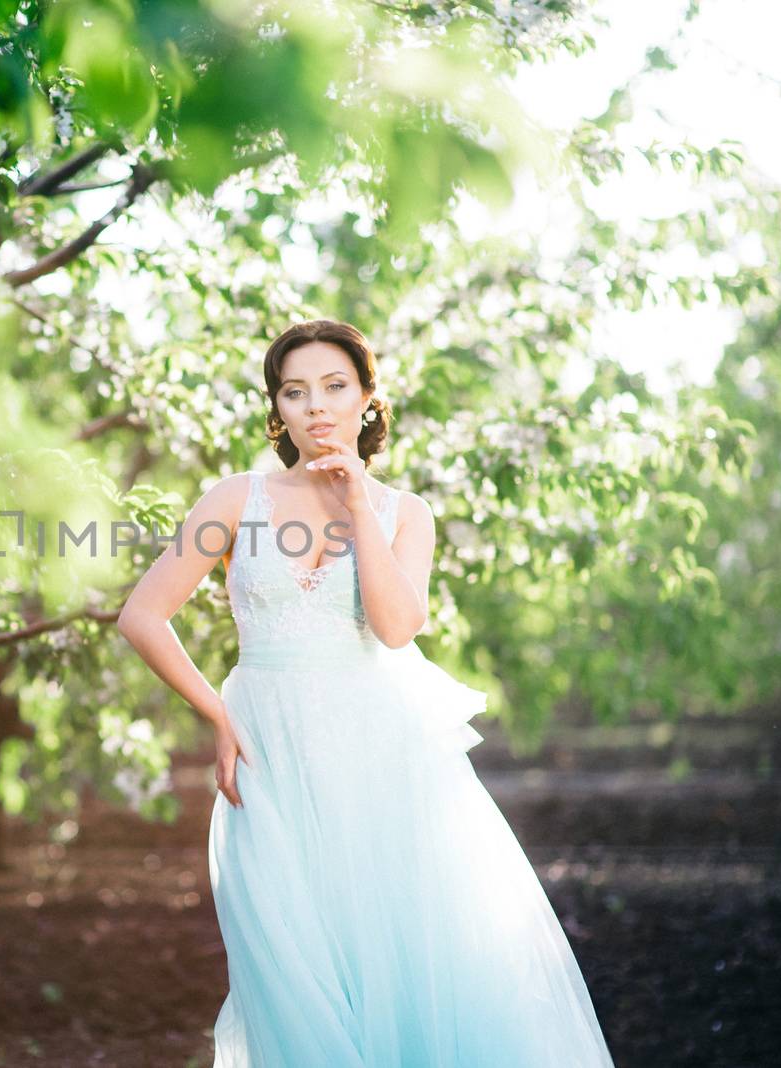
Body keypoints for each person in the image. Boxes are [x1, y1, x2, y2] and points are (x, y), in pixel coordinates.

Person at [116, 320, 616, 1066]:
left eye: (334, 387)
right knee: (289, 969)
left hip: (385, 760)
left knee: (407, 959)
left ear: (367, 400)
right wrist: (218, 715)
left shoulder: (404, 512)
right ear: (277, 409)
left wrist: (356, 503)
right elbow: (142, 616)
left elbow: (393, 628)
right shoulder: (234, 498)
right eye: (295, 391)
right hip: (269, 755)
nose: (315, 406)